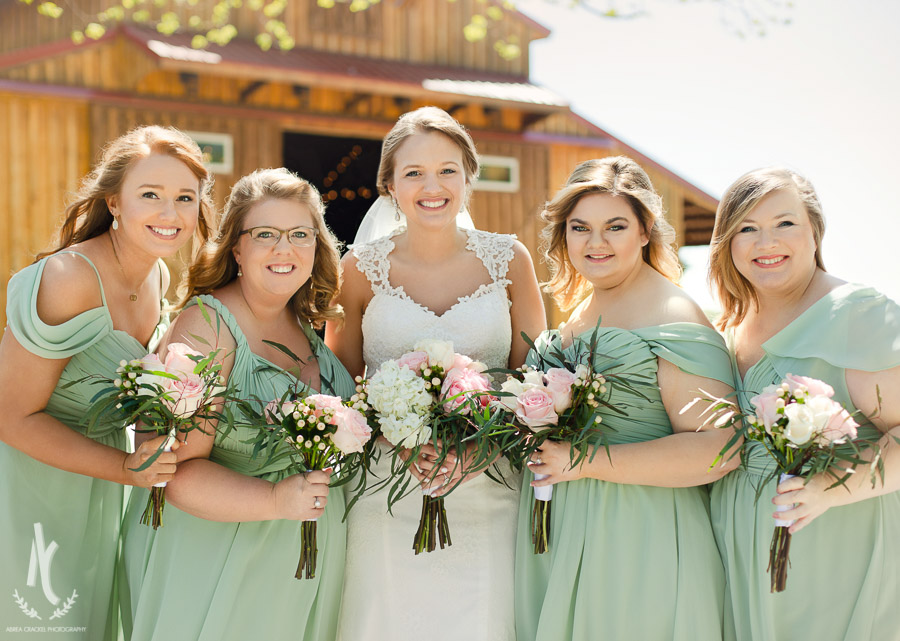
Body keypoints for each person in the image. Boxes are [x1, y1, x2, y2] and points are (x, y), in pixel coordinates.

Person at [325, 106, 546, 640]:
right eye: (414, 173)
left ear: (469, 177)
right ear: (390, 185)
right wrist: (397, 440)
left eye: (448, 170)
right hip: (388, 489)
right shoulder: (358, 268)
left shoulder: (509, 260)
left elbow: (536, 382)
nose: (433, 186)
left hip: (489, 485)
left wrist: (482, 448)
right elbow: (339, 386)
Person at [119, 168, 355, 641]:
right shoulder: (207, 325)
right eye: (265, 233)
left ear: (316, 246)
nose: (283, 248)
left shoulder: (309, 325)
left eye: (299, 234)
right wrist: (274, 499)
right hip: (218, 557)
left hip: (303, 558)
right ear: (237, 249)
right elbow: (174, 472)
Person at [0, 125, 214, 640]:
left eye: (185, 198)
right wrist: (124, 466)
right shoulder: (70, 278)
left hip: (101, 487)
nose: (170, 213)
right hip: (31, 485)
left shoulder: (158, 276)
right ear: (114, 202)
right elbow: (9, 417)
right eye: (151, 195)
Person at [516, 156, 737, 641]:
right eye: (580, 228)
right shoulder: (581, 308)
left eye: (615, 226)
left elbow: (718, 449)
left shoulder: (673, 311)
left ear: (644, 231)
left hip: (641, 535)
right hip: (568, 528)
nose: (596, 243)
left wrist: (585, 461)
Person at [707, 167, 900, 641]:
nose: (765, 241)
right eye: (747, 229)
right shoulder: (726, 327)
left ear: (815, 230)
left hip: (834, 550)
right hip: (737, 558)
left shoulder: (859, 315)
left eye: (784, 223)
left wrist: (829, 490)